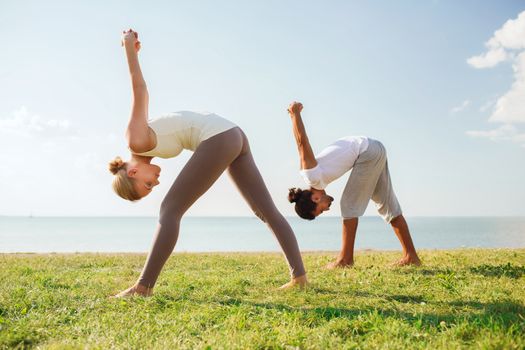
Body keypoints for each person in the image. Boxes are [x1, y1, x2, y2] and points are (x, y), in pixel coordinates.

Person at [110, 30, 307, 297]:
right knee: (265, 211)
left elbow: (140, 90)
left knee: (169, 209)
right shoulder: (147, 146)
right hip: (233, 135)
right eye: (152, 186)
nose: (156, 181)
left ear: (132, 170)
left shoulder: (135, 139)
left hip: (221, 138)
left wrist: (129, 50)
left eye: (147, 183)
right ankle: (300, 278)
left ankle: (143, 287)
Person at [286, 101, 421, 268]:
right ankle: (411, 256)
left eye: (321, 210)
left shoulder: (311, 175)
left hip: (368, 152)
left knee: (348, 205)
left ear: (315, 198)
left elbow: (302, 144)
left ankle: (345, 260)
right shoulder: (318, 179)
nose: (327, 209)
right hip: (373, 149)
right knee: (386, 205)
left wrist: (295, 114)